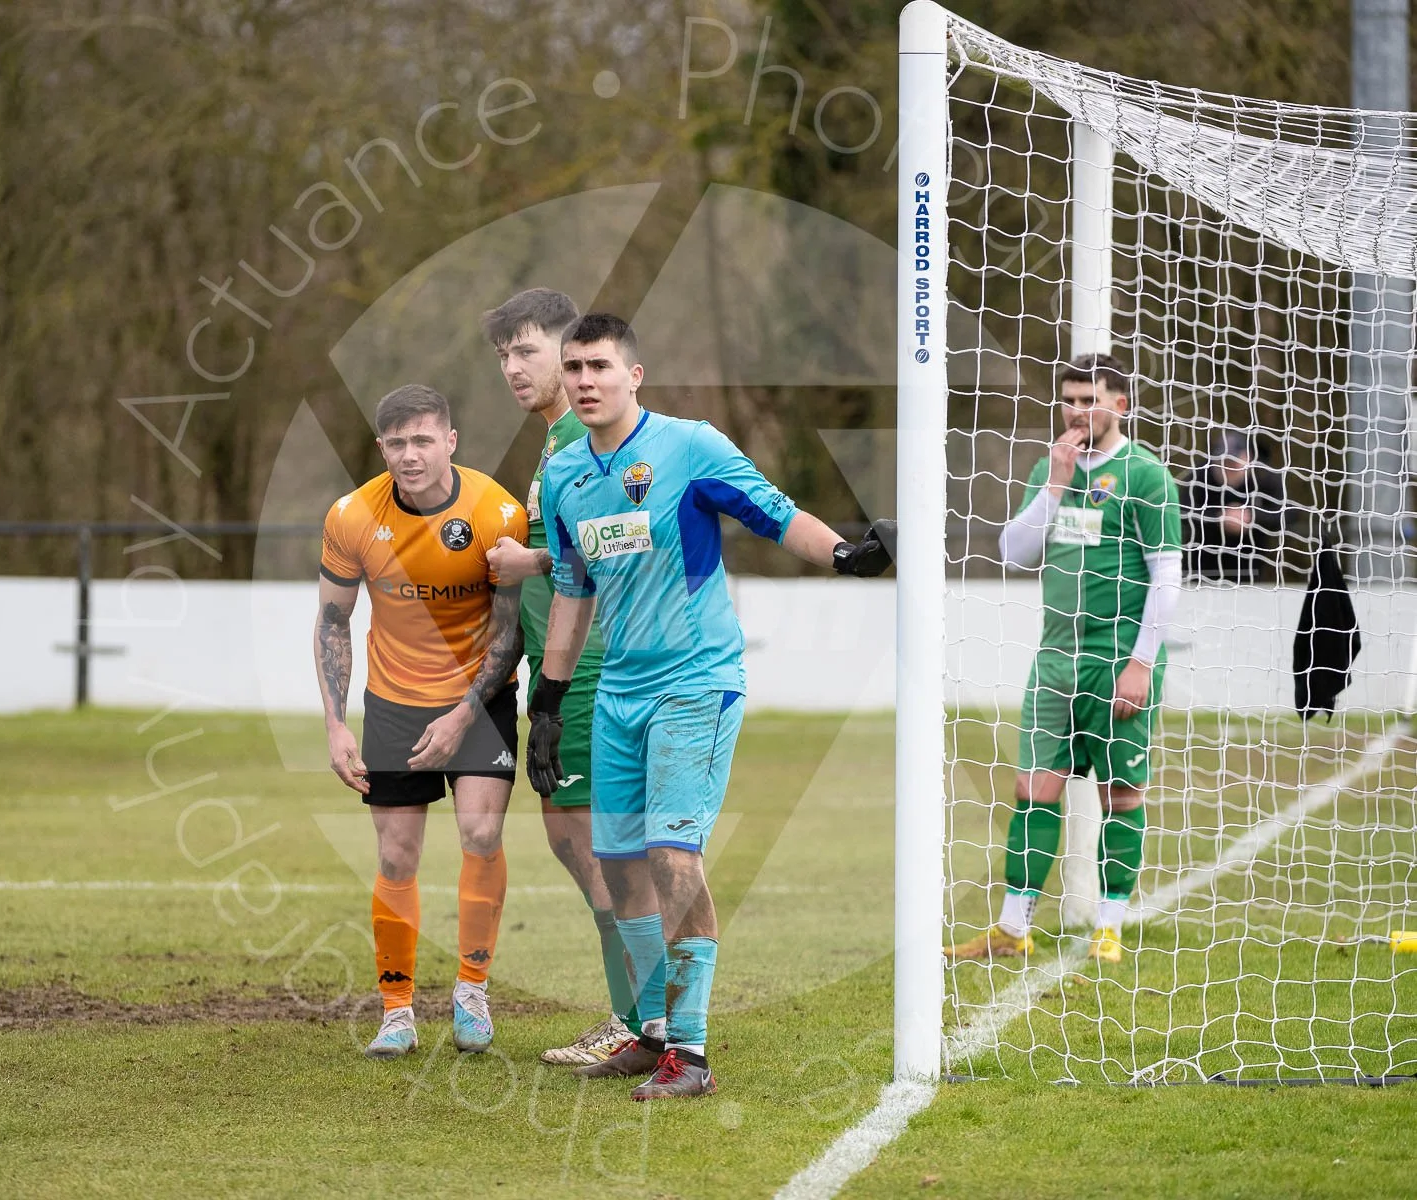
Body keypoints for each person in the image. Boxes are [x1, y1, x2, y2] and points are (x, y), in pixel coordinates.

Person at [528, 313, 895, 1099]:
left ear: (635, 375)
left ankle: (690, 1055)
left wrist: (843, 554)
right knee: (620, 866)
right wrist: (548, 701)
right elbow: (570, 588)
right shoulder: (564, 477)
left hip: (695, 680)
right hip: (618, 690)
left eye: (598, 366)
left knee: (671, 858)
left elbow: (771, 510)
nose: (584, 380)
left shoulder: (690, 445)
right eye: (574, 368)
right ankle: (649, 1034)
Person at [945, 352, 1183, 966]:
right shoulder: (1049, 470)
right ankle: (1011, 930)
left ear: (1120, 404)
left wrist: (1142, 663)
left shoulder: (1146, 475)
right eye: (1071, 399)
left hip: (1116, 662)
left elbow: (1167, 578)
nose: (1079, 411)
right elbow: (1013, 551)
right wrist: (1054, 482)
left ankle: (1109, 926)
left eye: (1091, 399)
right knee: (1033, 788)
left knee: (1121, 794)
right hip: (1055, 661)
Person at [315, 383, 527, 1059]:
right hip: (394, 703)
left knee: (481, 830)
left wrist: (464, 715)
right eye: (397, 443)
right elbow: (332, 621)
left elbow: (510, 631)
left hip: (480, 697)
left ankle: (471, 990)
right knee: (396, 854)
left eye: (423, 440)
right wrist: (336, 724)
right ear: (382, 448)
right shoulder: (351, 516)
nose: (411, 455)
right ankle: (397, 1010)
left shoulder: (497, 511)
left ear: (451, 441)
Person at [478, 287, 639, 1067]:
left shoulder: (586, 434)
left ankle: (638, 1021)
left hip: (593, 669)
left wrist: (525, 559)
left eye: (527, 350)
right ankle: (647, 1015)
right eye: (504, 354)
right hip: (564, 674)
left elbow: (618, 543)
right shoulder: (556, 442)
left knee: (593, 846)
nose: (513, 367)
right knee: (584, 843)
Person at [1182, 427, 1289, 583]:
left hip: (1251, 570)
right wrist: (1218, 518)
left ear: (1248, 458)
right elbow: (1182, 511)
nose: (1226, 468)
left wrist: (1251, 517)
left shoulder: (1264, 477)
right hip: (1200, 569)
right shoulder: (1199, 476)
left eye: (1232, 462)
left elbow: (1288, 514)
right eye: (1222, 462)